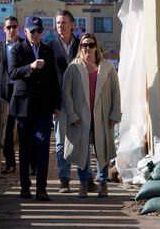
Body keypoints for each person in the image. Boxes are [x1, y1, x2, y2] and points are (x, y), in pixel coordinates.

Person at [62, 33, 121, 198]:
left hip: (102, 116)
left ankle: (103, 184)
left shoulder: (108, 68)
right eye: (84, 45)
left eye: (91, 44)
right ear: (80, 47)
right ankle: (83, 184)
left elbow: (116, 92)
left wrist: (115, 114)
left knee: (102, 151)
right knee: (82, 152)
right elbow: (66, 94)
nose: (87, 48)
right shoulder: (73, 68)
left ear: (96, 47)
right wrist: (72, 115)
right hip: (80, 117)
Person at [8, 17, 61, 201]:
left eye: (39, 31)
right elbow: (12, 73)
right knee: (24, 148)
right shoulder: (17, 49)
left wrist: (57, 105)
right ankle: (24, 187)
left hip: (44, 108)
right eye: (33, 31)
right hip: (24, 107)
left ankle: (41, 188)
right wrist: (29, 67)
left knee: (43, 147)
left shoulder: (47, 50)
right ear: (25, 32)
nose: (36, 34)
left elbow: (54, 78)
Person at [48, 10, 96, 193]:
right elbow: (48, 78)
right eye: (58, 22)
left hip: (81, 102)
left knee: (83, 141)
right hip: (59, 103)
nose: (60, 25)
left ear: (72, 25)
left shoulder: (82, 45)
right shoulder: (49, 46)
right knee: (61, 143)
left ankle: (87, 178)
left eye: (64, 22)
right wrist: (52, 104)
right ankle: (64, 179)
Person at [0, 16, 23, 174]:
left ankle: (30, 165)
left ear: (18, 28)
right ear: (4, 29)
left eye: (14, 27)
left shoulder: (24, 45)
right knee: (7, 130)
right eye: (8, 27)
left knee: (24, 129)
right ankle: (10, 164)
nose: (11, 30)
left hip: (21, 91)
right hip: (2, 92)